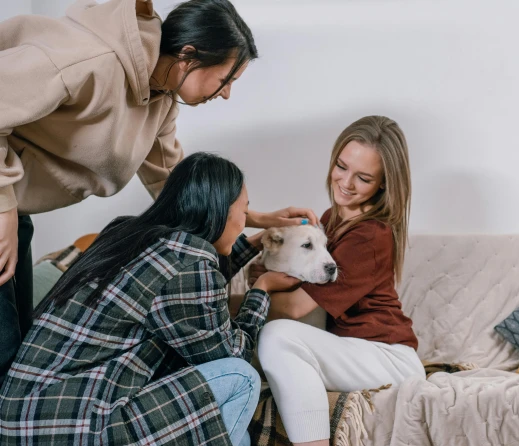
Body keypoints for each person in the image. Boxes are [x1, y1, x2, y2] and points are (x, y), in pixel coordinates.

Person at [0, 0, 317, 376]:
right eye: (227, 79)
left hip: (15, 212)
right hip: (5, 208)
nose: (228, 93)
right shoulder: (89, 61)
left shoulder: (159, 98)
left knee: (19, 352)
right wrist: (4, 207)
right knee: (5, 355)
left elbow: (176, 185)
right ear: (188, 56)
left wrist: (254, 217)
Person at [0, 152, 302, 446]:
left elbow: (189, 292)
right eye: (245, 210)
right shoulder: (190, 265)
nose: (245, 220)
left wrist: (251, 245)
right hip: (65, 431)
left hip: (24, 430)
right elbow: (232, 353)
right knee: (240, 380)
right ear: (219, 212)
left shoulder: (126, 233)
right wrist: (261, 290)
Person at [250, 116, 426, 446]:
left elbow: (293, 307)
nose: (345, 182)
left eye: (363, 177)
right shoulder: (331, 218)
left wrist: (257, 287)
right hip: (352, 352)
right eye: (341, 166)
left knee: (276, 335)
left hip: (389, 358)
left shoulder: (371, 234)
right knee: (273, 347)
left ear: (383, 185)